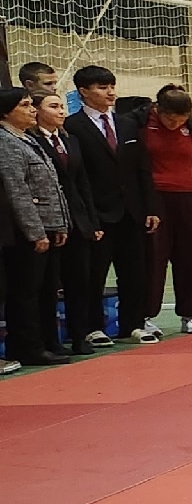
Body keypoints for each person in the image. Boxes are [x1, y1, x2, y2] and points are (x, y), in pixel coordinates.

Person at [65, 65, 159, 344]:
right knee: (93, 274)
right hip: (97, 212)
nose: (110, 92)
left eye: (111, 86)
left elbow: (142, 169)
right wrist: (86, 217)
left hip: (132, 210)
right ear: (83, 91)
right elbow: (77, 175)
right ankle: (92, 327)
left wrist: (150, 207)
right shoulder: (72, 126)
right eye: (102, 87)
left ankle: (133, 324)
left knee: (135, 272)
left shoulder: (127, 124)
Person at [137, 84, 192, 335]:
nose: (175, 124)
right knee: (153, 258)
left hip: (189, 198)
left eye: (181, 119)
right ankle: (145, 316)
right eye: (170, 119)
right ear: (158, 110)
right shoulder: (139, 124)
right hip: (154, 198)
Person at [0, 87, 71, 367]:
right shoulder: (5, 142)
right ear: (5, 112)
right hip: (26, 231)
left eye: (32, 104)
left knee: (46, 289)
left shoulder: (27, 138)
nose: (32, 110)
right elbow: (17, 191)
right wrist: (35, 232)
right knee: (26, 292)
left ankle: (47, 341)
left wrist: (59, 224)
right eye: (25, 105)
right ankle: (27, 346)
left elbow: (51, 186)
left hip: (48, 224)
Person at [34, 91, 103, 353]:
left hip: (77, 219)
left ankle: (79, 335)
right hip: (49, 221)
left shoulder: (70, 140)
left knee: (79, 281)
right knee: (49, 284)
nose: (61, 111)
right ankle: (51, 340)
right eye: (53, 106)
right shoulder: (32, 141)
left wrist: (92, 222)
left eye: (62, 106)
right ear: (37, 111)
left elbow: (83, 183)